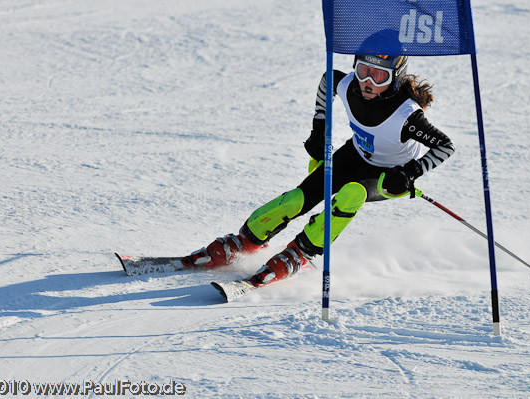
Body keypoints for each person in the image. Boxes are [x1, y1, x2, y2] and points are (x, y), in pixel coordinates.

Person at [180, 53, 456, 288]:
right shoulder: (348, 85)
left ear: (395, 77)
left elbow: (445, 146)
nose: (368, 82)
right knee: (297, 199)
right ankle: (247, 240)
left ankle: (300, 253)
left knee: (352, 193)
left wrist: (410, 172)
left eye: (379, 76)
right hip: (353, 156)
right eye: (363, 71)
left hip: (387, 176)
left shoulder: (407, 115)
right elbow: (327, 81)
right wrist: (319, 128)